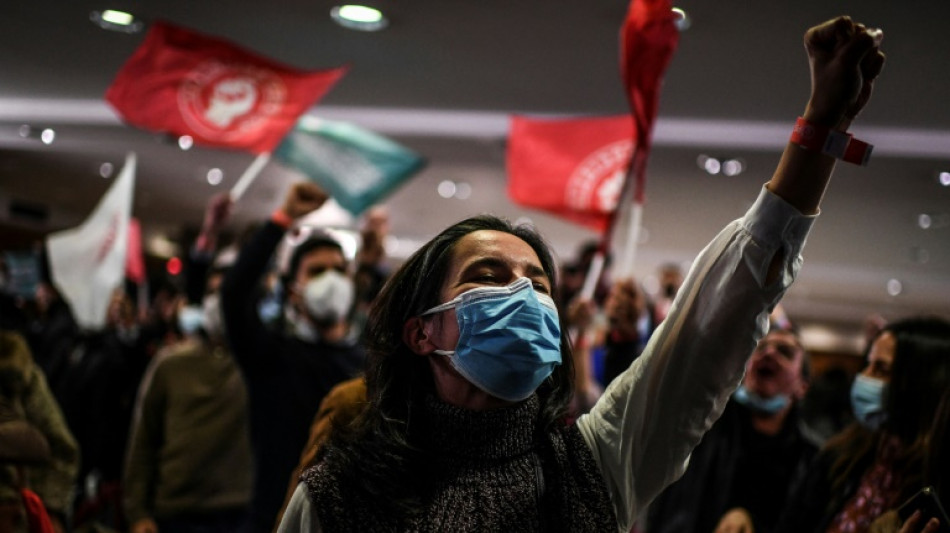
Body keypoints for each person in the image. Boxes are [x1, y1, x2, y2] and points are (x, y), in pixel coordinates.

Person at [277, 16, 887, 532]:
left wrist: (821, 128)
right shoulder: (338, 496)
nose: (524, 295)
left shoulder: (594, 462)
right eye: (488, 276)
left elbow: (715, 324)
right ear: (421, 332)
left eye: (539, 285)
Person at [220, 185, 365, 532]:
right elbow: (234, 294)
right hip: (273, 518)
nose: (331, 280)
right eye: (316, 271)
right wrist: (283, 219)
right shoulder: (270, 356)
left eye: (339, 270)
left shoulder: (367, 361)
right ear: (293, 290)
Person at [123, 197, 253, 533]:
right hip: (174, 515)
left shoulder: (259, 364)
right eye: (212, 294)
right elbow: (143, 443)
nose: (217, 304)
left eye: (227, 296)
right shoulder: (171, 364)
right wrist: (137, 513)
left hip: (241, 516)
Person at [775, 317, 950, 533]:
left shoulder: (935, 486)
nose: (863, 377)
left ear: (921, 385)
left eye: (881, 369)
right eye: (868, 364)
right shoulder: (840, 458)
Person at [645, 326, 818, 533]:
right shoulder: (703, 425)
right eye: (760, 347)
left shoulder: (810, 459)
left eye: (785, 352)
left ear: (802, 387)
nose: (769, 352)